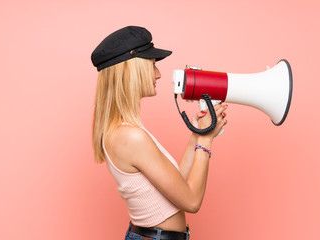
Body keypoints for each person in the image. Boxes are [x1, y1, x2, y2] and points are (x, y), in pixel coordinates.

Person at [91, 26, 228, 240]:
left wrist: (197, 135)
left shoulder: (125, 131)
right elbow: (191, 201)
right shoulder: (131, 137)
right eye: (153, 65)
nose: (159, 74)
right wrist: (206, 140)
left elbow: (177, 187)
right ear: (132, 70)